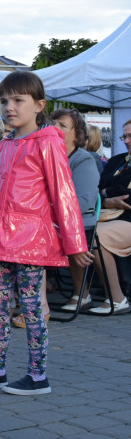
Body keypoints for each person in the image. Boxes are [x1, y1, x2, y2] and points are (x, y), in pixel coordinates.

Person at [0, 71, 90, 396]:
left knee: (31, 305)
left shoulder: (48, 143)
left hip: (32, 242)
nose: (9, 107)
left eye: (18, 100)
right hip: (0, 241)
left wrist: (75, 242)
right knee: (0, 304)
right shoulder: (3, 147)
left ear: (39, 105)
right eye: (5, 100)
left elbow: (64, 193)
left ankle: (37, 375)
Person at [49, 109, 99, 316]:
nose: (55, 129)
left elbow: (83, 201)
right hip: (52, 218)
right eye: (53, 124)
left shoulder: (83, 160)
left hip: (78, 220)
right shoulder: (48, 156)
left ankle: (82, 293)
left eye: (62, 125)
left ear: (77, 134)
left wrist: (51, 215)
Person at [88, 118, 131, 315]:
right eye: (125, 136)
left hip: (126, 219)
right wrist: (106, 198)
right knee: (82, 230)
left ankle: (116, 298)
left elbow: (126, 197)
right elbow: (98, 187)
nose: (127, 140)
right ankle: (82, 294)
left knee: (97, 235)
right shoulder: (116, 160)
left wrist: (107, 192)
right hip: (108, 215)